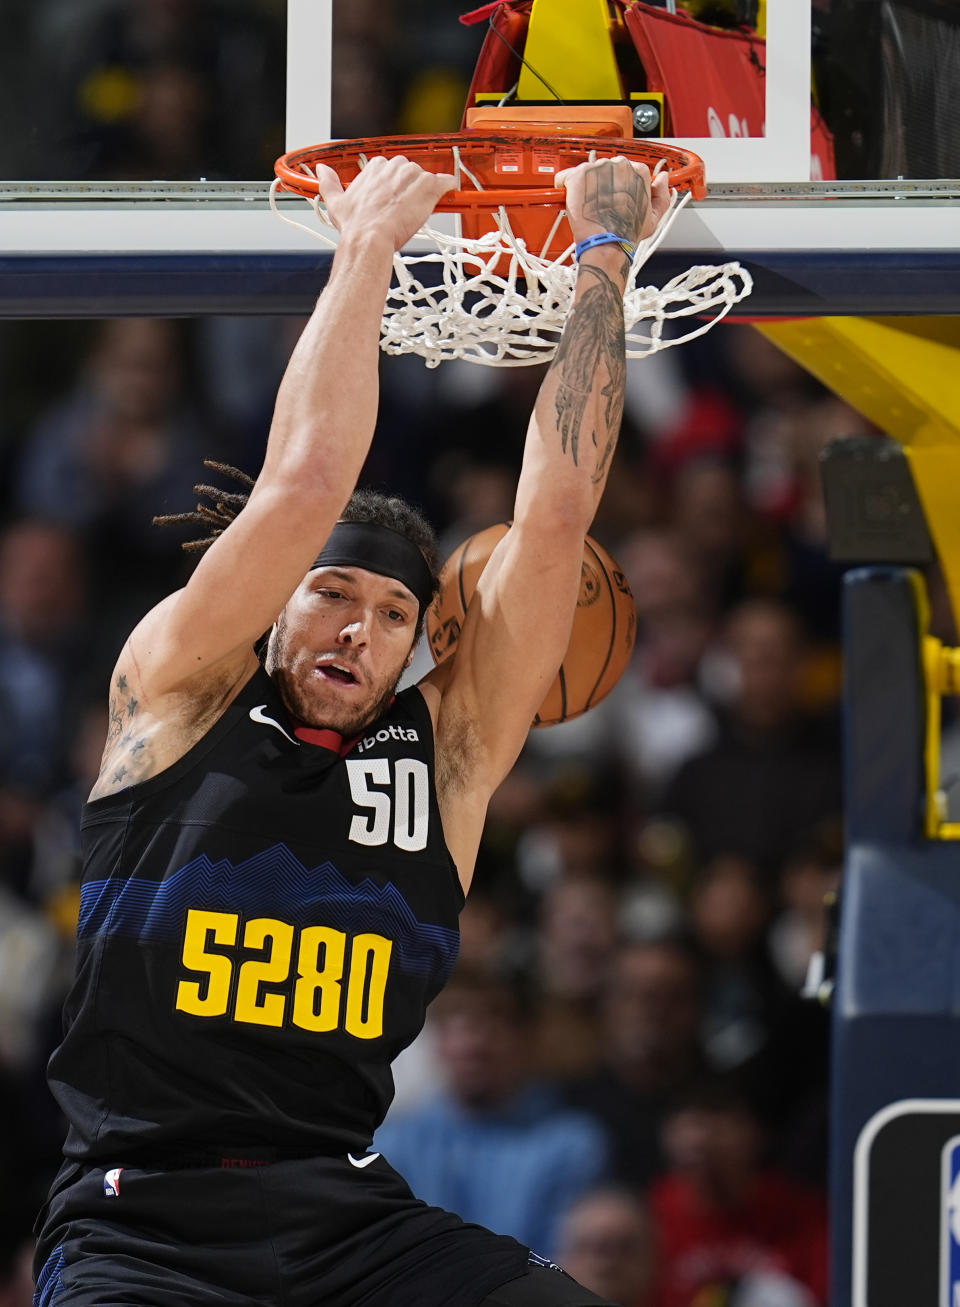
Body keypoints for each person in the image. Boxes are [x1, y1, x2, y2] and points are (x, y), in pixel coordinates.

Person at [33, 151, 669, 1307]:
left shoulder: (453, 753)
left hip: (346, 1218)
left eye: (391, 614)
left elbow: (557, 511)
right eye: (332, 594)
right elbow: (306, 479)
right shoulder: (179, 690)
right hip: (145, 1222)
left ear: (421, 637)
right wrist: (367, 240)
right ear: (275, 598)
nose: (358, 629)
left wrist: (605, 256)